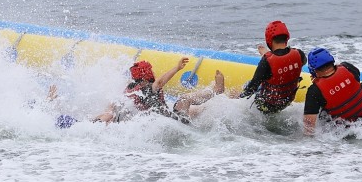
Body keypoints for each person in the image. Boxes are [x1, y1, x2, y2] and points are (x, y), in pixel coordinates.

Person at [95, 57, 225, 124]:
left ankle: (211, 103)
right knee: (185, 99)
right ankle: (216, 90)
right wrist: (177, 68)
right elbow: (160, 82)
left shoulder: (130, 88)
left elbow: (114, 104)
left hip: (158, 119)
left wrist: (101, 118)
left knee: (196, 110)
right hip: (174, 123)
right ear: (147, 74)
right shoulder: (148, 88)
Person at [302, 47, 362, 135]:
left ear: (314, 71)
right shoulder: (347, 67)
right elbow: (356, 82)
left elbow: (309, 126)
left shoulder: (314, 90)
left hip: (341, 127)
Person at [230, 20, 307, 113]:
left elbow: (252, 87)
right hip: (286, 102)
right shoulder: (300, 54)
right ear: (286, 38)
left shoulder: (266, 62)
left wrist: (239, 97)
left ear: (269, 40)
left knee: (248, 84)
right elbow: (296, 64)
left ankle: (233, 97)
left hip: (265, 106)